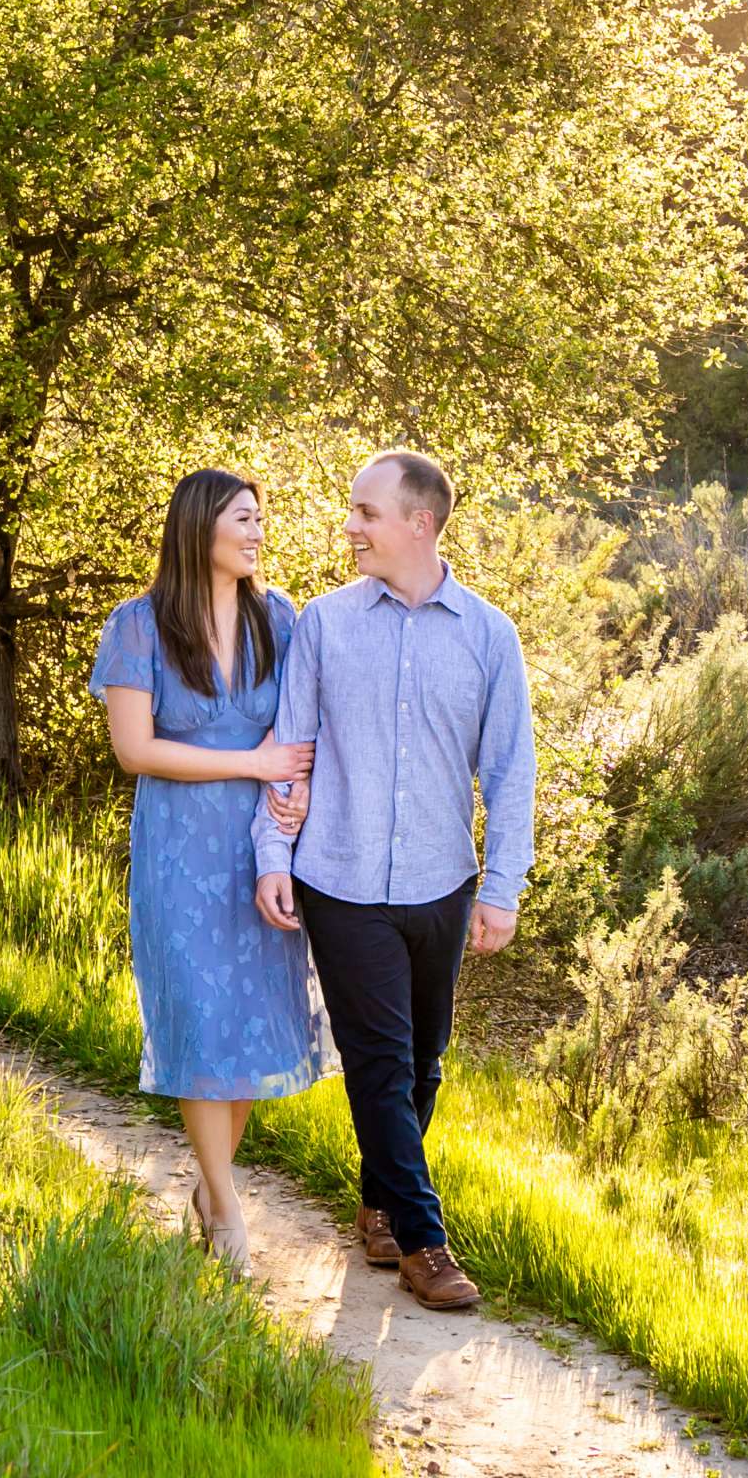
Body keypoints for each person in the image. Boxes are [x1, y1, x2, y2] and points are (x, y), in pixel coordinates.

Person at [251, 449, 534, 1311]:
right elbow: (288, 752)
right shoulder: (327, 626)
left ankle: (378, 1201)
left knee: (423, 1066)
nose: (350, 527)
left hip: (441, 882)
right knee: (378, 1063)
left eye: (367, 513)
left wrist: (502, 888)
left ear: (420, 522)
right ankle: (423, 1240)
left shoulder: (488, 634)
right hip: (339, 876)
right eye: (352, 511)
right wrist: (274, 854)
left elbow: (511, 770)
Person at [89, 469, 339, 1279]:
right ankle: (227, 1208)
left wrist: (292, 808)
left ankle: (210, 1187)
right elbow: (136, 751)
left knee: (245, 1027)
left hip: (263, 849)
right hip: (180, 852)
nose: (258, 532)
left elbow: (305, 734)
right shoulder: (138, 626)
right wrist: (254, 758)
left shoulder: (280, 620)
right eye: (244, 518)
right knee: (199, 1023)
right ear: (200, 527)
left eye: (261, 519)